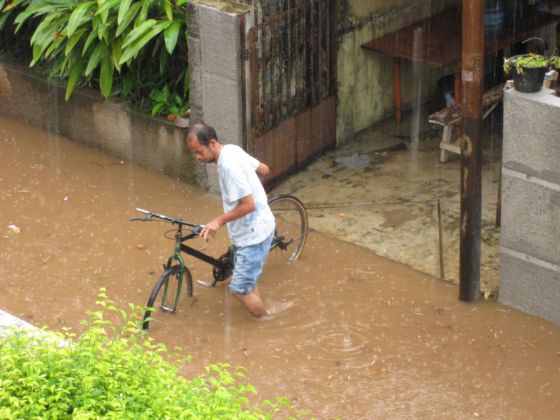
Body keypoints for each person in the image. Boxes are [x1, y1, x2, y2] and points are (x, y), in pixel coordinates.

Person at [185, 123, 275, 318]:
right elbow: (264, 169)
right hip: (256, 226)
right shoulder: (232, 150)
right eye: (194, 153)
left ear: (212, 143)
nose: (198, 157)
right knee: (247, 283)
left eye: (199, 152)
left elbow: (249, 205)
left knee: (239, 289)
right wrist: (252, 183)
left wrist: (217, 221)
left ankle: (266, 322)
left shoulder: (228, 166)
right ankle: (260, 313)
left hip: (254, 236)